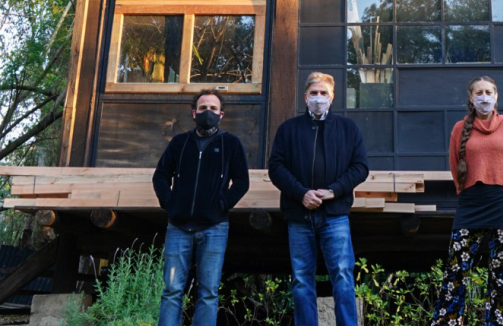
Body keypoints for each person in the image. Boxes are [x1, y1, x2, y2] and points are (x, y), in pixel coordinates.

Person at [268, 72, 369, 326]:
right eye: (314, 93)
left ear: (332, 97)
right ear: (305, 97)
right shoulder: (288, 129)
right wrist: (301, 193)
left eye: (324, 93)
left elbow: (360, 167)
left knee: (343, 276)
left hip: (335, 215)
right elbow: (276, 168)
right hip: (299, 216)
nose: (318, 97)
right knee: (302, 280)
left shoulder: (348, 129)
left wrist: (334, 191)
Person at [431, 76, 503, 326]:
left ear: (496, 96)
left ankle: (498, 323)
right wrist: (465, 191)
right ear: (471, 98)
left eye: (488, 92)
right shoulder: (459, 128)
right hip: (471, 203)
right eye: (479, 92)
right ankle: (447, 322)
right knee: (456, 270)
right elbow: (454, 165)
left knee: (501, 273)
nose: (484, 97)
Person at [153, 90, 250, 326]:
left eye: (213, 109)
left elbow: (241, 181)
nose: (208, 113)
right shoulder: (179, 143)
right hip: (178, 227)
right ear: (194, 113)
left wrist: (221, 205)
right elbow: (161, 176)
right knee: (172, 290)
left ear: (221, 114)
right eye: (203, 108)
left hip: (214, 228)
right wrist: (170, 203)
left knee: (208, 293)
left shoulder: (230, 144)